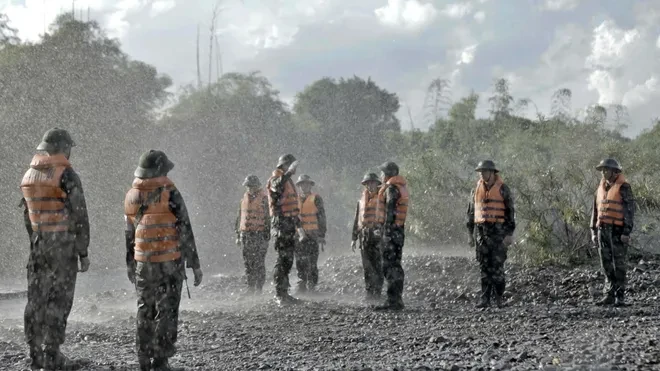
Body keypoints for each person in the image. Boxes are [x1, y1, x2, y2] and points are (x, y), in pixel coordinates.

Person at [124, 149, 203, 371]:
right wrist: (194, 264)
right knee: (167, 310)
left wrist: (130, 264)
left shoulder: (131, 195)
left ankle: (143, 356)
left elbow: (129, 234)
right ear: (160, 170)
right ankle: (160, 360)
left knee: (144, 308)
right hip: (169, 262)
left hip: (143, 263)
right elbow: (185, 229)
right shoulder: (171, 193)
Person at [20, 127, 90, 370]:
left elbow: (28, 217)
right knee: (59, 299)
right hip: (62, 245)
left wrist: (36, 240)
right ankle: (52, 354)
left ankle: (35, 354)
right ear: (65, 148)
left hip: (38, 244)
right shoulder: (67, 175)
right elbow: (79, 215)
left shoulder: (30, 174)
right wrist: (83, 251)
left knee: (36, 299)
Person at [466, 160, 515, 309]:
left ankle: (499, 298)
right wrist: (470, 234)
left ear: (493, 173)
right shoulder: (475, 190)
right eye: (480, 171)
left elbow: (510, 213)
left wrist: (509, 234)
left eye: (485, 171)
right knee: (484, 267)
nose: (482, 174)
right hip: (481, 233)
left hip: (498, 233)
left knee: (498, 266)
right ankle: (485, 299)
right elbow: (470, 213)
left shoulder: (503, 189)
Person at [591, 158, 635, 307]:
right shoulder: (600, 188)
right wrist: (593, 231)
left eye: (606, 169)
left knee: (619, 265)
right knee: (606, 264)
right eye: (602, 170)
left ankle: (620, 297)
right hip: (602, 229)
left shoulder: (624, 187)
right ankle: (608, 295)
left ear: (615, 171)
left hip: (618, 231)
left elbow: (630, 211)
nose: (603, 172)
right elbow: (595, 210)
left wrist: (626, 232)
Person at [266, 154, 303, 304]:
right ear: (285, 165)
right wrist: (288, 174)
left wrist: (299, 227)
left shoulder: (288, 181)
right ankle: (279, 294)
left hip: (289, 223)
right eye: (291, 166)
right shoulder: (276, 178)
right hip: (280, 223)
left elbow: (292, 208)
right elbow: (277, 187)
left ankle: (284, 293)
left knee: (288, 259)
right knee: (282, 258)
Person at [374, 161, 409, 311]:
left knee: (389, 266)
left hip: (391, 233)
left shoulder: (391, 190)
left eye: (382, 173)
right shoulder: (398, 188)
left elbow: (389, 213)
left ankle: (393, 301)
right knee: (395, 265)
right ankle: (396, 299)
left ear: (388, 174)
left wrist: (385, 233)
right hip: (398, 232)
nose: (381, 175)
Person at [351, 172, 385, 301]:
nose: (371, 185)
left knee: (378, 265)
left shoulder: (383, 199)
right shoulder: (361, 201)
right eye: (368, 183)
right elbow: (356, 220)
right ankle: (369, 292)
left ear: (377, 184)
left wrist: (385, 233)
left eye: (373, 183)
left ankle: (378, 292)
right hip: (364, 236)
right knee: (367, 266)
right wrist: (353, 238)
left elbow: (387, 218)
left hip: (378, 236)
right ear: (365, 185)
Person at [235, 174, 270, 293]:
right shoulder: (243, 199)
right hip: (246, 235)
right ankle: (250, 288)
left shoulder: (264, 199)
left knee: (259, 261)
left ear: (257, 186)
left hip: (259, 234)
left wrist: (267, 235)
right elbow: (239, 218)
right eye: (248, 186)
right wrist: (237, 235)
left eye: (252, 186)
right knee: (248, 262)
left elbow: (268, 218)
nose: (250, 188)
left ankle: (259, 288)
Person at [294, 174, 327, 293]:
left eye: (306, 184)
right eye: (302, 184)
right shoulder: (294, 199)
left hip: (313, 235)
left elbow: (322, 217)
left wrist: (322, 235)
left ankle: (312, 285)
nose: (304, 186)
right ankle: (301, 283)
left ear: (310, 185)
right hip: (298, 235)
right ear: (299, 186)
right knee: (299, 260)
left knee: (312, 261)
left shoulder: (316, 198)